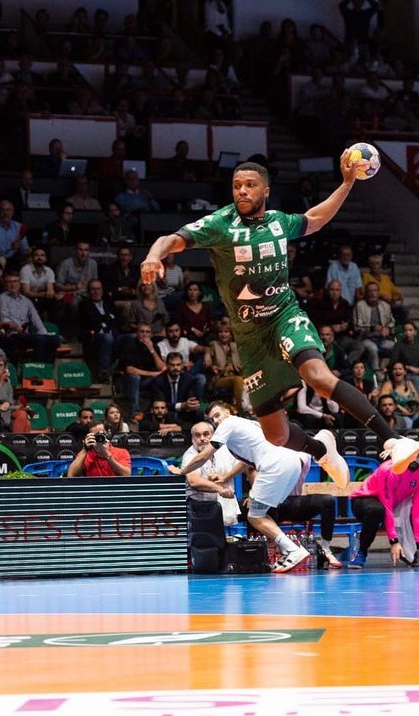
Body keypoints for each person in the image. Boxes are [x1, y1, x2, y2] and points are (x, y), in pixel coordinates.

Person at [142, 156, 399, 486]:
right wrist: (153, 255)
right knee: (275, 434)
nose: (242, 192)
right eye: (237, 186)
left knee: (319, 376)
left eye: (250, 186)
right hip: (250, 336)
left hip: (284, 316)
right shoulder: (221, 223)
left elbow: (315, 219)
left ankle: (390, 438)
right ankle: (322, 449)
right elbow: (171, 239)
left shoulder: (279, 221)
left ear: (266, 190)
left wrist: (347, 183)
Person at [175, 401, 317, 572]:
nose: (216, 420)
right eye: (213, 418)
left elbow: (204, 456)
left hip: (276, 466)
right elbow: (245, 462)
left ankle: (293, 549)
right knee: (261, 512)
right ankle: (287, 549)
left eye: (218, 415)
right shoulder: (246, 425)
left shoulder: (229, 423)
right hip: (291, 463)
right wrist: (226, 477)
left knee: (255, 516)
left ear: (229, 411)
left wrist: (182, 471)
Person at [348, 437, 419, 569]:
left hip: (393, 504)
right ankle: (361, 552)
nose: (415, 459)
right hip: (364, 501)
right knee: (377, 510)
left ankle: (413, 550)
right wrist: (394, 541)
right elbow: (386, 504)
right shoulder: (388, 470)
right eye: (411, 455)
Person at [181, 420, 240, 526]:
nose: (202, 438)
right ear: (192, 438)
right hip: (200, 507)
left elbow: (244, 465)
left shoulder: (224, 450)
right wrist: (220, 489)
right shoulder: (190, 455)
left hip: (226, 504)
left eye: (206, 434)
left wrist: (226, 477)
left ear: (213, 435)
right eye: (197, 435)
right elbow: (194, 482)